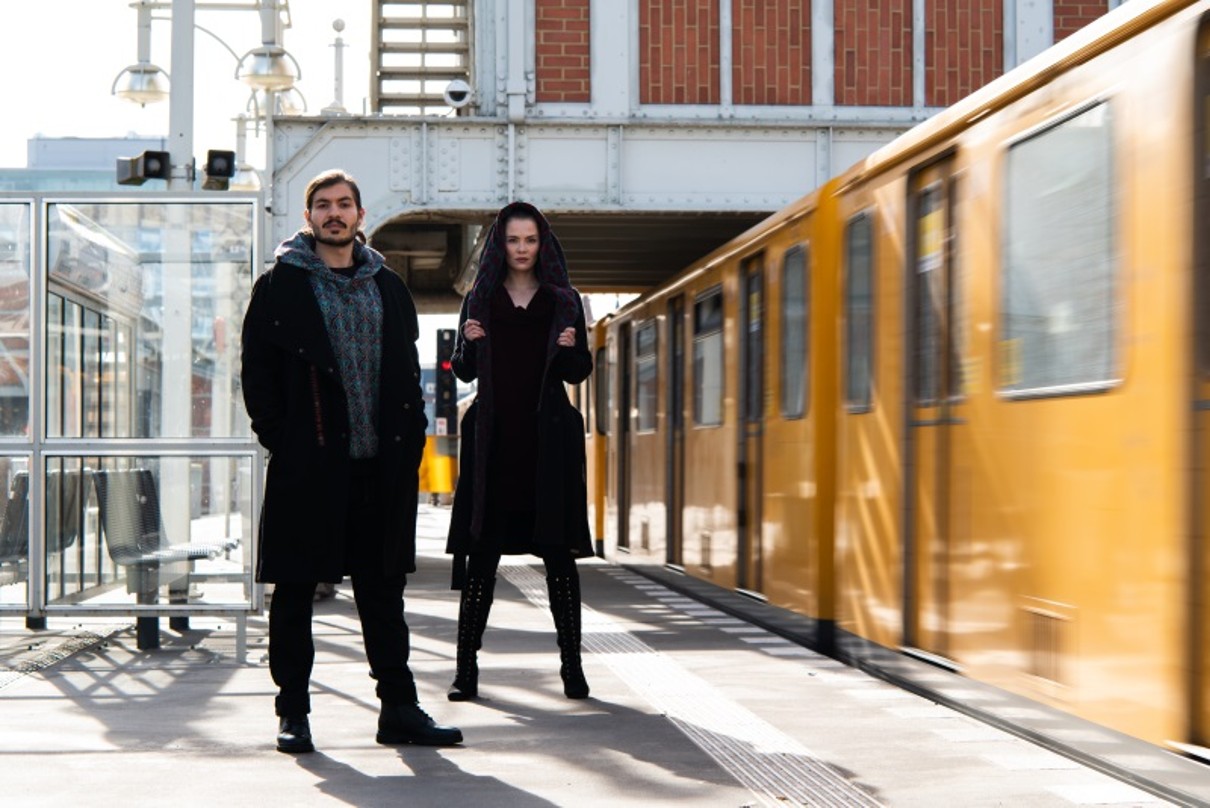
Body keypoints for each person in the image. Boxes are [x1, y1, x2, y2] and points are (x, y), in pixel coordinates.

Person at [241, 169, 462, 753]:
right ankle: (294, 714)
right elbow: (257, 375)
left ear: (360, 216)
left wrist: (411, 441)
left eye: (343, 205)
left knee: (383, 594)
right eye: (322, 205)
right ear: (308, 217)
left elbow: (405, 376)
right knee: (293, 593)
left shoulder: (387, 285)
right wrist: (281, 440)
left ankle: (400, 710)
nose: (333, 214)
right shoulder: (280, 286)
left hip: (379, 468)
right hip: (307, 466)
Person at [445, 201, 594, 702]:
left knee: (558, 561)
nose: (522, 249)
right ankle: (466, 672)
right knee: (481, 562)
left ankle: (572, 669)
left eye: (530, 240)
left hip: (547, 444)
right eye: (513, 240)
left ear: (542, 243)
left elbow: (578, 372)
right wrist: (467, 343)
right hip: (494, 443)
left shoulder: (565, 300)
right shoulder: (480, 299)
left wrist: (572, 348)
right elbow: (463, 371)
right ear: (499, 245)